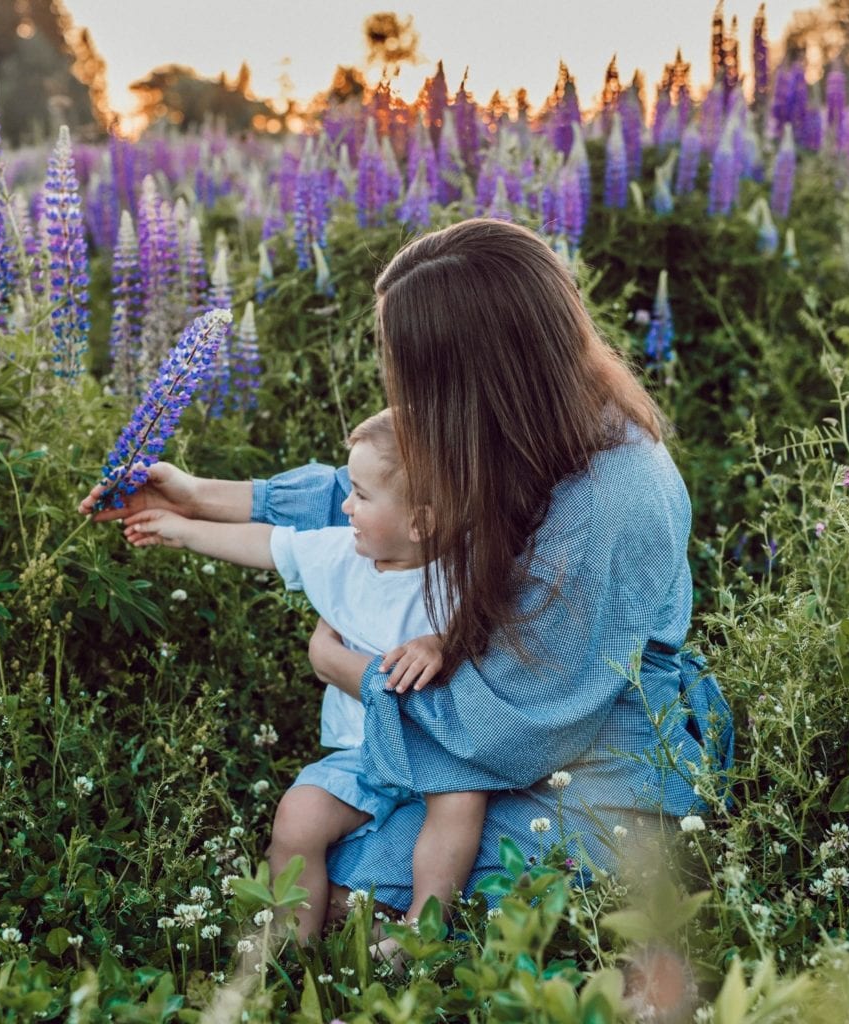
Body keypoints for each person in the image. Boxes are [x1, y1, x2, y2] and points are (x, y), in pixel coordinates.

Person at [80, 218, 733, 923]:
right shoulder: (535, 424)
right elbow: (391, 495)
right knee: (329, 857)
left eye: (415, 374)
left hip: (595, 757)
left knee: (353, 892)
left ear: (479, 375)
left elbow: (515, 727)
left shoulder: (612, 498)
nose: (405, 398)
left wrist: (350, 672)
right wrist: (199, 495)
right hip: (507, 724)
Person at [112, 409, 487, 947]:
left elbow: (498, 628)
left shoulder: (465, 572)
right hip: (361, 752)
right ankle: (291, 949)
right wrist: (179, 529)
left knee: (461, 803)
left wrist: (442, 643)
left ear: (420, 523)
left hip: (437, 750)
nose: (344, 505)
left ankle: (420, 931)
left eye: (360, 495)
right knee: (298, 816)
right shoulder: (343, 556)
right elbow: (268, 545)